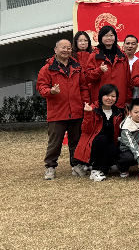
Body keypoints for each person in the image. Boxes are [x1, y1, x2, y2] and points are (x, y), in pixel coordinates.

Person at [37, 39, 90, 180]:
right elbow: (41, 87)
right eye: (63, 48)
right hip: (57, 112)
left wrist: (85, 104)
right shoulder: (47, 69)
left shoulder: (77, 67)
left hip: (76, 110)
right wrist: (51, 92)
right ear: (55, 50)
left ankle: (76, 165)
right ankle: (50, 167)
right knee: (55, 142)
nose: (66, 50)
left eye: (68, 48)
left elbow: (83, 87)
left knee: (76, 140)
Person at [74, 84, 125, 182]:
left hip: (107, 146)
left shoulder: (117, 112)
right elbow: (86, 130)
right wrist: (88, 114)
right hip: (92, 146)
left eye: (113, 96)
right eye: (107, 95)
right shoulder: (93, 109)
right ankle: (96, 171)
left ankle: (100, 167)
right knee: (102, 139)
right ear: (101, 96)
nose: (110, 98)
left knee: (115, 150)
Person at [86, 25, 130, 109]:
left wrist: (128, 99)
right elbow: (88, 77)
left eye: (111, 35)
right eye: (106, 35)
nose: (109, 38)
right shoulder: (94, 56)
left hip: (119, 100)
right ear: (100, 38)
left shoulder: (123, 56)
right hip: (100, 101)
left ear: (115, 37)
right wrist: (99, 71)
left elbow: (128, 80)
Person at [116, 98, 139, 178]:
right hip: (127, 149)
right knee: (127, 157)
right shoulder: (126, 128)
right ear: (130, 113)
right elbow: (133, 145)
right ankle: (123, 169)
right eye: (136, 112)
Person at [123, 34, 139, 100]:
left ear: (137, 46)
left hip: (136, 94)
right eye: (128, 43)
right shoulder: (118, 61)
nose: (130, 46)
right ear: (123, 45)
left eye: (133, 44)